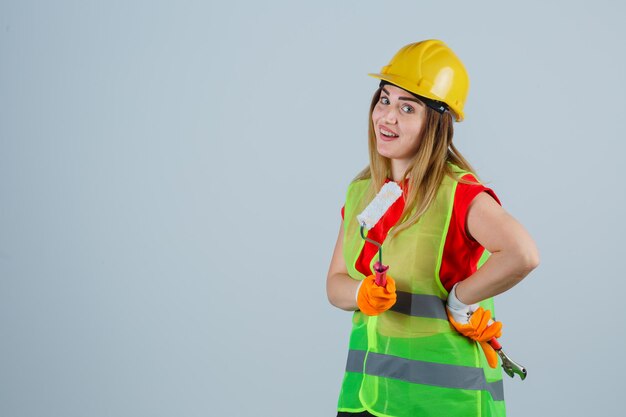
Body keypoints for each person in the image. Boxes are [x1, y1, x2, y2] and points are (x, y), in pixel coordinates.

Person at [326, 39, 540, 417]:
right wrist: (361, 293)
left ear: (436, 123)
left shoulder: (457, 194)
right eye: (384, 99)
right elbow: (335, 283)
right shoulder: (362, 193)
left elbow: (522, 254)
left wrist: (461, 299)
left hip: (441, 404)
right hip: (366, 399)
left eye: (408, 107)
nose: (387, 116)